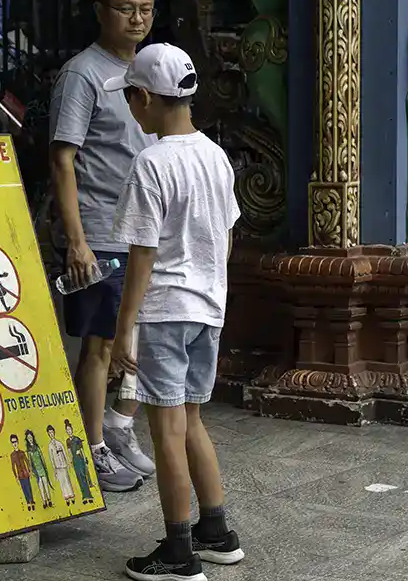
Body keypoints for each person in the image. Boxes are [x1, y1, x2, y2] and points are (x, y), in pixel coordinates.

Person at [105, 43, 245, 580]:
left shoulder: (151, 162)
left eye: (130, 100)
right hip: (209, 307)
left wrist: (124, 332)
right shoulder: (215, 154)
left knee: (164, 429)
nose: (131, 110)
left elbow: (142, 257)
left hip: (165, 309)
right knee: (190, 420)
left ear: (143, 97)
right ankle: (217, 533)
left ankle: (179, 553)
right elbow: (226, 239)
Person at [48, 0, 157, 492]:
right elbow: (63, 158)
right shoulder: (82, 73)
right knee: (99, 345)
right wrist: (77, 240)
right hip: (100, 231)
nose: (137, 19)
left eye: (146, 10)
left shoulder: (148, 70)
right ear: (100, 11)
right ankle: (88, 449)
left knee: (136, 338)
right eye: (126, 9)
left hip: (143, 231)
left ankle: (116, 429)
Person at [46, 424, 76, 506]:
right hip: (57, 466)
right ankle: (66, 497)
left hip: (63, 464)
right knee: (62, 482)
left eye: (52, 432)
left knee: (67, 480)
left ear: (54, 432)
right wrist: (54, 469)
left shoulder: (59, 443)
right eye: (50, 433)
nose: (51, 434)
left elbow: (65, 453)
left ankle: (71, 496)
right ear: (48, 434)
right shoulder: (50, 446)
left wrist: (68, 462)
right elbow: (51, 458)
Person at [10, 434, 36, 511]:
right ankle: (28, 502)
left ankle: (32, 501)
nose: (14, 443)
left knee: (29, 487)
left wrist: (30, 471)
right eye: (12, 442)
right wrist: (16, 476)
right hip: (20, 475)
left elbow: (27, 461)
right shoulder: (12, 455)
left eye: (15, 441)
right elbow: (13, 466)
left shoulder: (22, 452)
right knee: (24, 488)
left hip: (25, 473)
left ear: (18, 442)